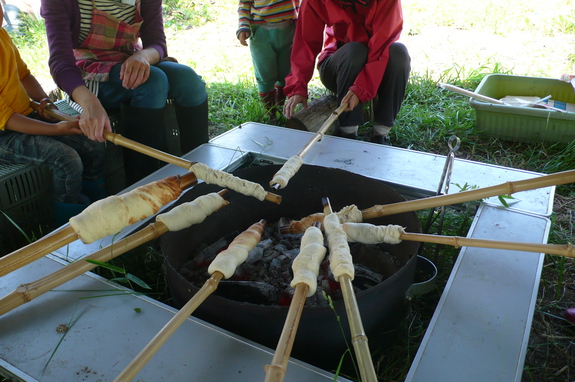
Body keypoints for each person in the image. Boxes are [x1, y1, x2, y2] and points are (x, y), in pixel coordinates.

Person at [40, 0, 209, 184]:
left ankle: (203, 170)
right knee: (152, 83)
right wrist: (89, 103)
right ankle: (144, 184)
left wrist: (142, 56)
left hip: (131, 57)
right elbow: (60, 63)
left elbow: (157, 43)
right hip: (87, 73)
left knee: (187, 79)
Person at [0, 4, 106, 226]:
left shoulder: (2, 35)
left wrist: (44, 102)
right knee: (66, 159)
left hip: (26, 114)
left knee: (92, 141)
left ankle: (101, 210)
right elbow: (7, 119)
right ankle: (69, 228)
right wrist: (54, 129)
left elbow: (24, 75)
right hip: (4, 134)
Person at [283, 0, 411, 144]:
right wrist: (298, 86)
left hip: (376, 70)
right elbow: (305, 42)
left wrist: (362, 86)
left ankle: (381, 133)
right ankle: (348, 133)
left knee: (399, 53)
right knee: (355, 51)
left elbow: (383, 42)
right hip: (339, 68)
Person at [236, 0, 299, 124]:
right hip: (261, 32)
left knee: (285, 72)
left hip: (289, 29)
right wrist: (243, 25)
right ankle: (270, 114)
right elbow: (244, 3)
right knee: (265, 73)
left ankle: (281, 109)